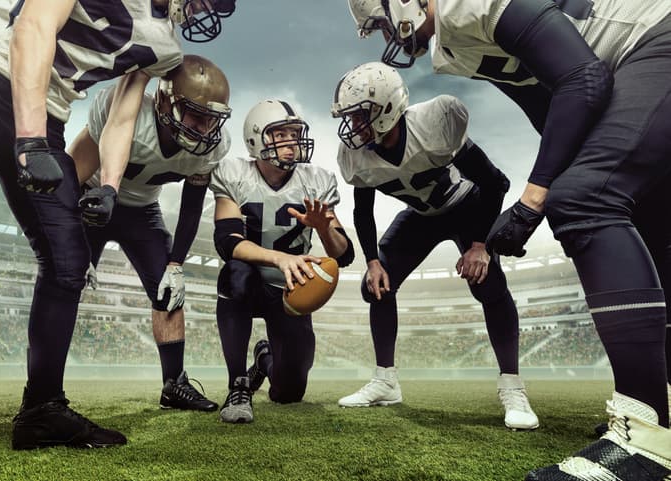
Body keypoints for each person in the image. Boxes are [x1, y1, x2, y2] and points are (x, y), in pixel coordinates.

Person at [346, 0, 671, 478]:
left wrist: (531, 202)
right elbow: (551, 104)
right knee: (647, 218)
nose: (383, 35)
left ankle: (644, 440)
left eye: (379, 22)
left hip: (649, 42)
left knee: (582, 199)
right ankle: (660, 417)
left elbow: (584, 79)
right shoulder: (452, 46)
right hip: (634, 64)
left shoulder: (458, 10)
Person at [0, 0, 236, 449]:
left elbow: (123, 108)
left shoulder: (164, 45)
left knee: (68, 261)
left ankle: (42, 409)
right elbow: (34, 25)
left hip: (48, 114)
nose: (200, 8)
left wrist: (112, 186)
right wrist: (30, 139)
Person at [331, 61, 538, 430]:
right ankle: (385, 380)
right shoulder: (357, 156)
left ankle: (512, 386)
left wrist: (479, 246)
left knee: (488, 284)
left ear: (388, 108)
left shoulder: (435, 123)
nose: (354, 126)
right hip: (422, 217)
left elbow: (496, 184)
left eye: (361, 115)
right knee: (377, 285)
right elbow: (363, 211)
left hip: (468, 207)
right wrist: (372, 262)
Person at [69, 54, 231, 413]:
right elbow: (73, 172)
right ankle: (43, 387)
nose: (205, 129)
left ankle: (174, 384)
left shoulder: (211, 148)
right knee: (64, 281)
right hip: (93, 201)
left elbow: (191, 208)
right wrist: (69, 233)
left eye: (212, 120)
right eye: (196, 115)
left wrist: (176, 263)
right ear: (164, 101)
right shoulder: (127, 111)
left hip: (142, 212)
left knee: (168, 289)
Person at [209, 99, 355, 423]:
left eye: (295, 133)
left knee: (288, 392)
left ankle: (264, 361)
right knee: (235, 274)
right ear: (256, 138)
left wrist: (323, 229)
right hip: (249, 280)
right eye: (281, 134)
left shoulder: (316, 180)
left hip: (291, 290)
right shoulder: (233, 174)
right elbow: (227, 242)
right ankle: (238, 384)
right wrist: (279, 258)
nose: (292, 142)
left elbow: (343, 254)